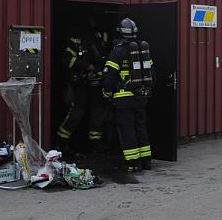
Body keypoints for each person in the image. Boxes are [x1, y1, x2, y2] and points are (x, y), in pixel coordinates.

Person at [102, 18, 155, 173]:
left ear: (120, 31)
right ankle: (146, 161)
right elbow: (153, 74)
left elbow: (110, 76)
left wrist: (107, 92)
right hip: (141, 96)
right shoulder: (142, 49)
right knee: (140, 128)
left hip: (123, 99)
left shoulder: (117, 50)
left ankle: (133, 163)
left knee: (127, 130)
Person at [56, 21, 111, 154]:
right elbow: (67, 60)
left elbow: (109, 56)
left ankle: (95, 144)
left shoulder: (101, 37)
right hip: (81, 84)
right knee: (77, 113)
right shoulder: (74, 40)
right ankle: (61, 142)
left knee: (98, 113)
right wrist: (85, 66)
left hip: (98, 84)